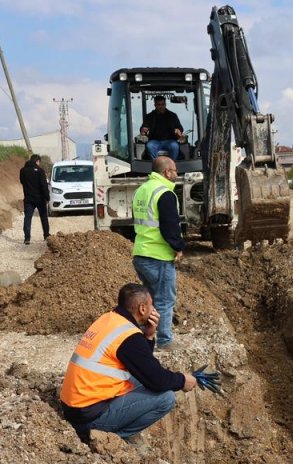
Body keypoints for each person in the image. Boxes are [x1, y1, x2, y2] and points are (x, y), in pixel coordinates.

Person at [60, 284, 197, 445]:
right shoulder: (128, 337)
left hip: (75, 407)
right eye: (151, 304)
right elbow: (157, 380)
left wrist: (149, 335)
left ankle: (109, 432)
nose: (154, 309)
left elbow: (142, 364)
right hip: (87, 418)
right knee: (166, 398)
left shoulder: (110, 319)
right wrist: (182, 380)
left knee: (139, 378)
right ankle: (111, 438)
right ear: (142, 309)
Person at [132, 155, 186, 349]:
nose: (176, 174)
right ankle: (164, 340)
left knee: (151, 298)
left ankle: (148, 335)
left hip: (141, 253)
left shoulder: (141, 190)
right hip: (159, 256)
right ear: (166, 172)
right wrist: (178, 246)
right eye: (174, 171)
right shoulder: (165, 193)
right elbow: (169, 226)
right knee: (164, 299)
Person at [19, 154, 51, 245]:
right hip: (40, 198)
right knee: (44, 217)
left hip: (28, 198)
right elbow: (44, 185)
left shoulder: (22, 171)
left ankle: (27, 238)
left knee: (28, 218)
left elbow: (22, 181)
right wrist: (47, 197)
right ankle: (46, 235)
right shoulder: (40, 171)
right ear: (37, 161)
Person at [141, 96, 184, 160]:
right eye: (158, 105)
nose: (161, 107)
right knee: (149, 146)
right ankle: (156, 164)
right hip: (154, 141)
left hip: (170, 141)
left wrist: (178, 130)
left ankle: (172, 165)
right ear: (155, 105)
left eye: (162, 104)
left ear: (165, 104)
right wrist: (143, 130)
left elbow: (180, 128)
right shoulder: (149, 116)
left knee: (175, 146)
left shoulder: (172, 116)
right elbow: (143, 128)